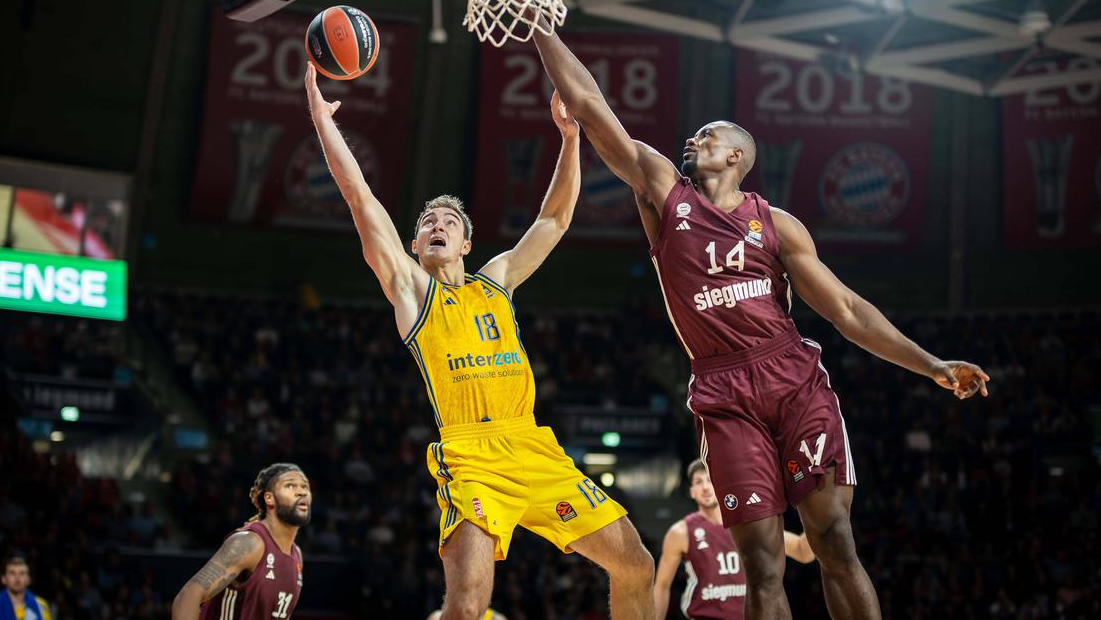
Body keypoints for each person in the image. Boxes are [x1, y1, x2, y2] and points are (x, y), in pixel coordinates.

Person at [530, 30, 990, 620]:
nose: (695, 138)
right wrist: (540, 24)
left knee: (834, 541)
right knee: (763, 566)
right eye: (696, 134)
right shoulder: (664, 195)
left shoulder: (777, 224)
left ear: (736, 157)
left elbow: (848, 312)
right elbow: (593, 108)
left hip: (792, 377)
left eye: (710, 136)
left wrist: (932, 365)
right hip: (722, 392)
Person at [305, 62, 654, 620]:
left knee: (636, 564)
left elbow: (555, 219)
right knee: (468, 605)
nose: (435, 225)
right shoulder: (412, 293)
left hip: (534, 448)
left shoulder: (496, 281)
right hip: (470, 456)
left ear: (466, 242)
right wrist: (324, 123)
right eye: (426, 223)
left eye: (447, 221)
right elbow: (361, 200)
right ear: (417, 245)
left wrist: (569, 139)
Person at [654, 459, 814, 619]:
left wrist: (812, 508)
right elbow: (661, 586)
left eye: (710, 480)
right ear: (692, 491)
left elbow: (803, 552)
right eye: (698, 482)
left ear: (721, 484)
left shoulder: (749, 526)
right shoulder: (680, 532)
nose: (705, 487)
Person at [172, 463, 311, 619]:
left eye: (305, 487)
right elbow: (187, 597)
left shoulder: (296, 555)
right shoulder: (249, 543)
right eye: (290, 486)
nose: (301, 492)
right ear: (269, 498)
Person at [0, 556, 53, 620]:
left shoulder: (41, 606)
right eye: (12, 573)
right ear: (4, 579)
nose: (17, 578)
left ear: (28, 579)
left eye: (22, 573)